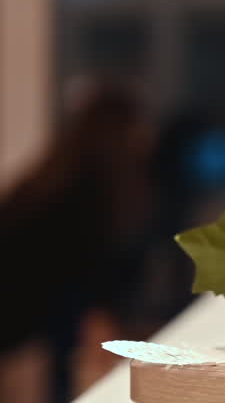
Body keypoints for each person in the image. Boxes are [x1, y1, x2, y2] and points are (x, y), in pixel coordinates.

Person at [0, 82, 153, 403]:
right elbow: (89, 264)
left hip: (25, 311)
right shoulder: (92, 186)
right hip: (26, 315)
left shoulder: (53, 174)